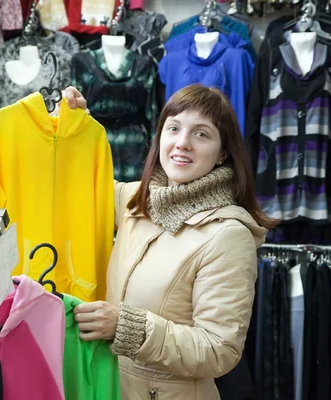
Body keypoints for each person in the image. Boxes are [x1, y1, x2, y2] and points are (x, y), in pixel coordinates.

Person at [66, 84, 278, 400]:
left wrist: (127, 326)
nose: (182, 143)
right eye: (174, 128)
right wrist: (76, 125)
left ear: (222, 153)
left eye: (201, 134)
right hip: (110, 387)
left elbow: (220, 349)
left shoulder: (228, 236)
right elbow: (80, 180)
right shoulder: (136, 200)